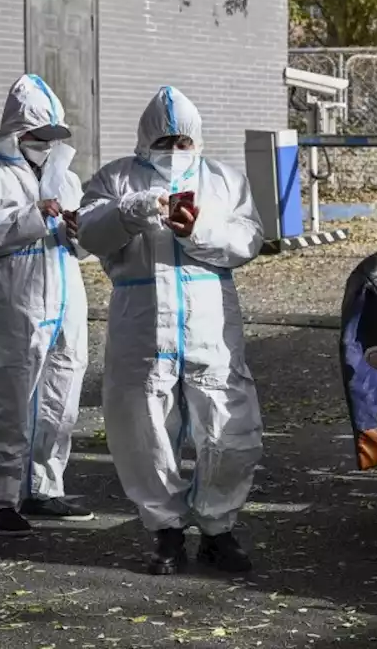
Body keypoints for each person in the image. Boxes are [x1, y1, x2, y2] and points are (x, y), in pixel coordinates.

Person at [77, 86, 264, 575]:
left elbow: (248, 240)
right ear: (144, 140)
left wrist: (196, 230)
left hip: (211, 322)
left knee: (230, 427)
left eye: (182, 141)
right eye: (164, 141)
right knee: (143, 429)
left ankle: (218, 529)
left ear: (197, 139)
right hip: (141, 320)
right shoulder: (116, 178)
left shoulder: (223, 180)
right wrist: (129, 213)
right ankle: (166, 532)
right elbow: (88, 233)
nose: (174, 150)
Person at [0, 73, 92, 536]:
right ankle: (0, 499)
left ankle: (45, 486)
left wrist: (78, 231)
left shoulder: (66, 179)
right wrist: (32, 217)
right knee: (6, 401)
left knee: (60, 398)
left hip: (67, 301)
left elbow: (86, 244)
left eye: (51, 135)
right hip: (12, 306)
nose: (44, 143)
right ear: (15, 132)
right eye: (35, 135)